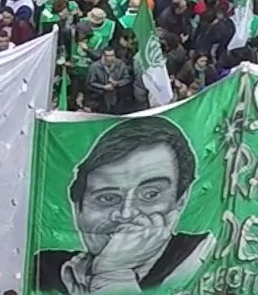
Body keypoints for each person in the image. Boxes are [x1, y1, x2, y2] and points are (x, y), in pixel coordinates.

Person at [33, 117, 214, 294]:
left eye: (150, 195)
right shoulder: (40, 269)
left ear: (181, 199)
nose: (126, 213)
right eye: (107, 198)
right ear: (77, 208)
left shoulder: (205, 258)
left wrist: (113, 274)